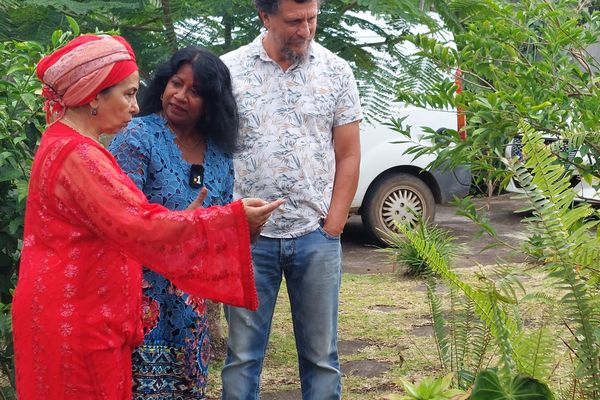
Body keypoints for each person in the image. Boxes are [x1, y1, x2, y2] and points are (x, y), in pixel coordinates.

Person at [11, 34, 283, 400]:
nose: (136, 106)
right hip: (80, 318)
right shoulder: (81, 156)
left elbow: (132, 221)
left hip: (83, 310)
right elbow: (138, 224)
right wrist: (228, 220)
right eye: (127, 94)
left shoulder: (67, 144)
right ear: (93, 94)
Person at [220, 0, 362, 398]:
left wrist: (332, 227)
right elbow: (211, 149)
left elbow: (348, 152)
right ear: (265, 17)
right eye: (294, 21)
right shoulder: (228, 70)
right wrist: (226, 220)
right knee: (243, 358)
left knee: (321, 359)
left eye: (312, 19)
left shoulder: (336, 71)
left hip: (315, 238)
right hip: (247, 240)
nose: (305, 29)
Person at [109, 46, 238, 399]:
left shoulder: (220, 154)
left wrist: (242, 226)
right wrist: (181, 224)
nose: (180, 96)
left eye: (194, 91)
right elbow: (119, 222)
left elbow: (221, 222)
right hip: (140, 300)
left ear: (211, 101)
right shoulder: (136, 138)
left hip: (191, 308)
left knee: (187, 391)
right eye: (175, 83)